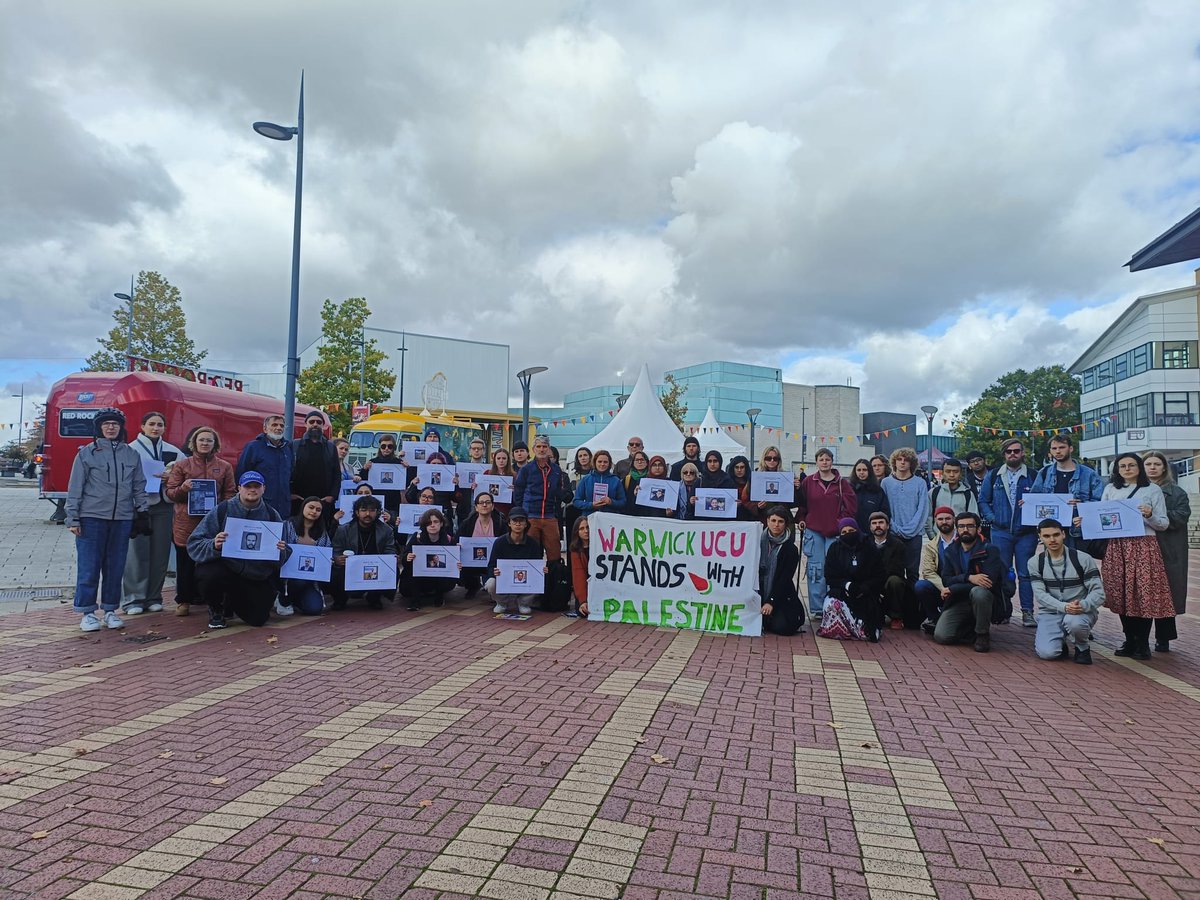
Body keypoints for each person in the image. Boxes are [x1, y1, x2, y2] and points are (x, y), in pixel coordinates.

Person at [66, 407, 150, 632]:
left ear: (121, 427)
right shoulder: (87, 453)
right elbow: (75, 487)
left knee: (115, 567)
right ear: (99, 427)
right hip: (91, 517)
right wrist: (72, 518)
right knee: (89, 567)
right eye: (106, 424)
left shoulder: (131, 454)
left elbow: (138, 485)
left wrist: (142, 512)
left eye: (115, 423)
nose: (111, 427)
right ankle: (87, 612)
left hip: (122, 518)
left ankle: (111, 610)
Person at [187, 471, 290, 629]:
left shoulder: (272, 515)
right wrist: (214, 544)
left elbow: (281, 557)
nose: (252, 490)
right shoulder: (221, 510)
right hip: (225, 568)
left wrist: (281, 551)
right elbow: (194, 543)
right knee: (207, 575)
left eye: (257, 486)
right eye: (248, 486)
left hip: (255, 574)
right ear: (239, 488)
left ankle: (231, 601)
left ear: (264, 489)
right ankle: (216, 607)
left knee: (258, 619)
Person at [1100, 453, 1173, 660]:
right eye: (1122, 466)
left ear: (1139, 467)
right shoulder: (1110, 489)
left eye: (1132, 465)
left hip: (1143, 545)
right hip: (1117, 546)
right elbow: (1101, 517)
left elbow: (1164, 524)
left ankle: (1143, 642)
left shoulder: (1152, 490)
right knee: (1121, 593)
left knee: (1143, 594)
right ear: (1116, 469)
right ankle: (1129, 639)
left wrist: (1149, 515)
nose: (1127, 469)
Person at [165, 426, 236, 618]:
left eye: (209, 440)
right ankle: (184, 600)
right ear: (194, 442)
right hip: (186, 522)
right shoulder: (181, 465)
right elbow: (170, 493)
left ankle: (211, 599)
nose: (205, 443)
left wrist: (220, 507)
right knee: (185, 563)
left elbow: (230, 492)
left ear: (215, 444)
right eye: (201, 440)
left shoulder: (225, 466)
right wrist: (183, 489)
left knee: (213, 561)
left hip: (214, 523)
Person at [121, 411, 183, 615]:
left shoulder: (173, 451)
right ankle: (133, 599)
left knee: (160, 552)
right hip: (138, 507)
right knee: (136, 553)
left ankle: (153, 596)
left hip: (164, 506)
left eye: (159, 424)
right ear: (142, 426)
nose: (155, 428)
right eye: (151, 424)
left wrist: (171, 478)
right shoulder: (130, 449)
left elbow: (184, 474)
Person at [1027, 519, 1105, 664]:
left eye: (1056, 534)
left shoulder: (1083, 559)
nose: (1052, 539)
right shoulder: (1035, 562)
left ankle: (1082, 647)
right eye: (1046, 536)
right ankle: (1059, 642)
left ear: (1063, 534)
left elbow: (1099, 593)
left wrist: (1083, 605)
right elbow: (1040, 595)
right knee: (1047, 653)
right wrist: (1063, 607)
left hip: (1080, 610)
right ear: (1040, 538)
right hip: (1051, 611)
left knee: (1073, 622)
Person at [979, 438, 1037, 627]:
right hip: (1001, 531)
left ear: (1023, 453)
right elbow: (983, 500)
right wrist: (992, 518)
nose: (1013, 454)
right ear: (1004, 454)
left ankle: (1028, 611)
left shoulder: (1034, 475)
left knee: (1026, 573)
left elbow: (1044, 501)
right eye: (1009, 451)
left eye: (1016, 451)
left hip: (1026, 532)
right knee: (1002, 572)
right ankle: (1004, 610)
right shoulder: (994, 475)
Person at [795, 448, 857, 616]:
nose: (824, 462)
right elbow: (803, 504)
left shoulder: (842, 483)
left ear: (832, 461)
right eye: (821, 459)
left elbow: (851, 507)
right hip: (814, 530)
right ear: (816, 462)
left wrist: (840, 523)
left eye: (827, 459)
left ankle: (834, 604)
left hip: (834, 532)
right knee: (816, 569)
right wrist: (801, 519)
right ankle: (817, 608)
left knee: (834, 569)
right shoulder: (809, 481)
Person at [933, 512, 1004, 653]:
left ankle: (982, 634)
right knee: (942, 636)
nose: (965, 529)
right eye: (961, 526)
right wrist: (969, 578)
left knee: (979, 592)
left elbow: (988, 583)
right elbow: (946, 579)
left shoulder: (990, 550)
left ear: (978, 529)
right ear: (957, 529)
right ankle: (970, 628)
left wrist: (954, 588)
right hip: (959, 600)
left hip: (986, 599)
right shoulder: (951, 551)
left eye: (970, 526)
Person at [1144, 450, 1191, 651]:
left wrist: (1156, 515)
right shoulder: (1136, 490)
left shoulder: (1177, 493)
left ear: (1164, 467)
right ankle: (1139, 636)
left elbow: (1181, 516)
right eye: (1148, 464)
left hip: (1168, 549)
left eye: (1157, 464)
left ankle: (1164, 638)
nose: (1152, 467)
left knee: (1167, 594)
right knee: (1143, 593)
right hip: (1143, 548)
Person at [1028, 434, 1103, 548]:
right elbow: (1035, 498)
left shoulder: (1089, 474)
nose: (1058, 451)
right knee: (1054, 565)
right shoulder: (1044, 473)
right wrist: (1028, 503)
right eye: (1054, 448)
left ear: (1071, 448)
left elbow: (1100, 502)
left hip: (1079, 531)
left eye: (1062, 447)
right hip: (1052, 531)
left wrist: (1082, 505)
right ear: (1050, 451)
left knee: (1079, 564)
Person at [330, 494, 397, 611]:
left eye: (372, 510)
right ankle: (340, 599)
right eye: (363, 510)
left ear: (377, 512)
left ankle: (374, 597)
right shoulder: (343, 529)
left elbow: (390, 549)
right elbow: (336, 549)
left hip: (375, 567)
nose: (367, 514)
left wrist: (391, 559)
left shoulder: (386, 530)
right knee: (335, 570)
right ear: (356, 512)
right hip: (350, 568)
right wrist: (337, 558)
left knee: (393, 568)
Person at [824, 517, 884, 641]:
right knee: (831, 604)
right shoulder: (835, 549)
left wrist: (864, 588)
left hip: (866, 592)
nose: (848, 534)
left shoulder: (870, 548)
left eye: (851, 531)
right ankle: (846, 629)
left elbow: (879, 575)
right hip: (842, 590)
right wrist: (847, 585)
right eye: (844, 532)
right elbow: (830, 575)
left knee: (868, 622)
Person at [879, 448, 928, 597]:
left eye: (906, 460)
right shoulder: (886, 482)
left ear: (911, 463)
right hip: (893, 533)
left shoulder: (920, 483)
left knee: (913, 573)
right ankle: (895, 609)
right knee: (894, 572)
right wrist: (894, 527)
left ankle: (912, 608)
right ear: (894, 462)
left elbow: (923, 508)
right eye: (899, 459)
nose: (902, 462)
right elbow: (884, 508)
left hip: (915, 534)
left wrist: (911, 529)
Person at [512, 435, 565, 563]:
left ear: (548, 449)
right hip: (531, 516)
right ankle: (533, 581)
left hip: (550, 516)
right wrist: (523, 513)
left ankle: (552, 581)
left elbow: (559, 492)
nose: (542, 450)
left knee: (555, 553)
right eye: (539, 447)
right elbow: (518, 492)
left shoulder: (556, 470)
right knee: (531, 552)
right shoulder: (526, 469)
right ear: (533, 449)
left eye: (544, 447)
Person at [485, 507, 547, 615]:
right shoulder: (499, 542)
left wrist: (541, 570)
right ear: (509, 523)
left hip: (524, 579)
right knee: (490, 583)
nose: (518, 524)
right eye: (514, 521)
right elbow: (491, 565)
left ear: (526, 524)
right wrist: (494, 572)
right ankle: (502, 602)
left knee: (540, 578)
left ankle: (524, 602)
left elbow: (536, 564)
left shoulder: (533, 543)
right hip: (504, 579)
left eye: (521, 521)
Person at [236, 415, 294, 519]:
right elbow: (241, 474)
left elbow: (291, 474)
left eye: (282, 425)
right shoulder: (253, 447)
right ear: (265, 429)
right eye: (274, 425)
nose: (279, 428)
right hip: (259, 505)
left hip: (283, 507)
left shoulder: (287, 448)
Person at [282, 497, 332, 615]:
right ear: (303, 507)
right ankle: (282, 600)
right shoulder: (287, 525)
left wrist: (329, 560)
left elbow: (327, 551)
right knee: (299, 580)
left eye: (318, 510)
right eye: (311, 507)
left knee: (314, 609)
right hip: (286, 577)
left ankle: (296, 600)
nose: (314, 511)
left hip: (310, 579)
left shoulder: (322, 532)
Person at [400, 508, 458, 610]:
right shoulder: (417, 537)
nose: (432, 525)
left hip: (439, 577)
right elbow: (404, 559)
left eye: (436, 522)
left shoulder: (449, 540)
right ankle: (415, 601)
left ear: (441, 523)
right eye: (429, 523)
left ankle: (439, 596)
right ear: (424, 525)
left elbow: (454, 562)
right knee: (411, 573)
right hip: (419, 577)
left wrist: (457, 565)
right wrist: (408, 557)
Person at [759, 506, 804, 636]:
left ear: (786, 524)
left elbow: (784, 579)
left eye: (780, 521)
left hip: (780, 593)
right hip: (759, 591)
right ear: (767, 521)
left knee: (783, 628)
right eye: (773, 520)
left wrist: (770, 601)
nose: (776, 525)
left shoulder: (791, 549)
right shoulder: (757, 541)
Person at [915, 506, 957, 634]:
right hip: (941, 587)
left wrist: (954, 588)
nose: (944, 522)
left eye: (948, 518)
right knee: (921, 586)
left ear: (954, 520)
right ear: (935, 521)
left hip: (961, 585)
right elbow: (928, 572)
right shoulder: (931, 546)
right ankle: (934, 618)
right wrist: (943, 587)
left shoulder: (964, 540)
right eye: (940, 519)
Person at [290, 412, 339, 519]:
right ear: (305, 424)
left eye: (319, 422)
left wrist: (332, 496)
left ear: (323, 425)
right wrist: (290, 493)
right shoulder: (295, 445)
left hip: (323, 501)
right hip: (298, 501)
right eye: (311, 422)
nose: (315, 424)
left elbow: (336, 474)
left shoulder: (330, 447)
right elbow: (287, 471)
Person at [867, 511, 911, 629]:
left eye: (881, 522)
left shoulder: (898, 545)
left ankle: (896, 617)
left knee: (895, 581)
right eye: (874, 523)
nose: (877, 526)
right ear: (870, 527)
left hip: (889, 580)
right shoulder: (865, 544)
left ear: (887, 525)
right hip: (870, 581)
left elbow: (896, 568)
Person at [458, 492, 507, 598]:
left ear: (493, 506)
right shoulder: (467, 523)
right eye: (481, 503)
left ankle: (493, 590)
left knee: (492, 577)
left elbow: (506, 542)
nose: (484, 505)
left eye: (488, 502)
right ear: (476, 507)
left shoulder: (501, 523)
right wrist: (458, 545)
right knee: (460, 565)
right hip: (471, 562)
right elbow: (457, 539)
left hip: (493, 561)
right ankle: (472, 586)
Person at [926, 457, 978, 536]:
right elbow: (928, 517)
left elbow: (974, 517)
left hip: (961, 538)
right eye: (948, 471)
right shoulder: (933, 493)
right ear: (943, 473)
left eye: (955, 472)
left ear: (960, 473)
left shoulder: (968, 494)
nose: (952, 475)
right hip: (938, 538)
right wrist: (932, 536)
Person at [358, 435, 404, 514]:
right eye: (383, 446)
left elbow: (405, 482)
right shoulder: (372, 462)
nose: (386, 449)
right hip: (376, 498)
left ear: (393, 448)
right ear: (380, 447)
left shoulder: (399, 463)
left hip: (393, 500)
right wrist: (365, 469)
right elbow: (363, 479)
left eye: (389, 446)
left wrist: (407, 468)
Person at [755, 446, 802, 521]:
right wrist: (757, 506)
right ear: (763, 459)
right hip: (763, 518)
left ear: (779, 460)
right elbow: (748, 501)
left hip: (783, 518)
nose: (772, 461)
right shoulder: (756, 477)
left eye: (775, 458)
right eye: (768, 458)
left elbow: (795, 503)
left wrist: (797, 489)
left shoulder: (787, 477)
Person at [574, 450, 626, 515]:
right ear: (595, 462)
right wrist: (591, 505)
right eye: (599, 461)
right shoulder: (586, 479)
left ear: (609, 463)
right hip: (590, 517)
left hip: (610, 518)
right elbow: (576, 501)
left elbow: (623, 502)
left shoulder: (616, 480)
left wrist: (611, 502)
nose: (602, 464)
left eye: (605, 462)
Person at [454, 436, 491, 526]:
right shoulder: (461, 469)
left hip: (484, 509)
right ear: (470, 451)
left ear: (484, 451)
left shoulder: (489, 470)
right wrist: (456, 483)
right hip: (465, 509)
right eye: (474, 448)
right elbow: (456, 495)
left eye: (479, 448)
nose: (476, 451)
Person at [850, 458, 890, 532]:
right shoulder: (849, 490)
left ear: (870, 471)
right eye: (859, 470)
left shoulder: (878, 490)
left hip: (873, 532)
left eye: (864, 470)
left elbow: (885, 512)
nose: (861, 472)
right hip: (853, 531)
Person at [569, 515, 591, 617]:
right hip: (585, 590)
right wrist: (583, 600)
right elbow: (578, 575)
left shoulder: (601, 545)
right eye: (582, 528)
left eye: (588, 527)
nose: (586, 531)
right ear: (577, 532)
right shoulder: (575, 551)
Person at [485, 447, 516, 518]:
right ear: (494, 460)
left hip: (508, 510)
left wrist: (515, 490)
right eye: (498, 458)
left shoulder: (514, 476)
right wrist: (476, 486)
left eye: (504, 458)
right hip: (490, 510)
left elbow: (519, 496)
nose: (501, 461)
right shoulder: (487, 474)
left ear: (508, 460)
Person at [726, 455, 758, 521]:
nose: (739, 470)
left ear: (746, 468)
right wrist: (732, 505)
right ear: (733, 468)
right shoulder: (727, 483)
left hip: (750, 517)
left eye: (742, 467)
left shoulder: (752, 482)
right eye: (737, 467)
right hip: (732, 518)